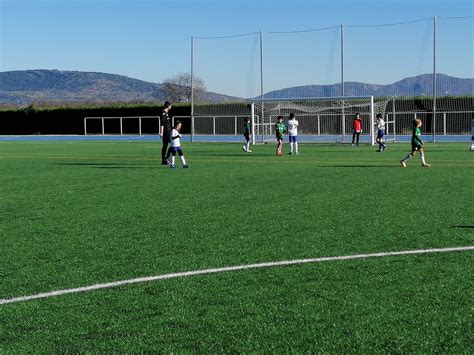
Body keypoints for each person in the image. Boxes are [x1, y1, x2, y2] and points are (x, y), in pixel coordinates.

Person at [159, 101, 172, 165]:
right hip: (166, 132)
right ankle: (165, 159)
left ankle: (164, 160)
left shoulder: (166, 113)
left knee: (165, 146)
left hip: (168, 131)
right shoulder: (163, 113)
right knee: (173, 144)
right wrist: (161, 132)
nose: (171, 106)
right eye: (170, 105)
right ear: (168, 106)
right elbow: (162, 124)